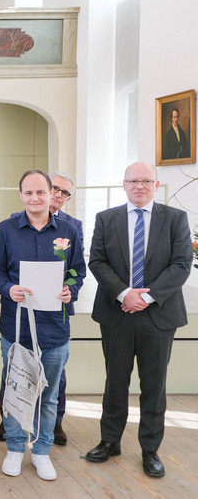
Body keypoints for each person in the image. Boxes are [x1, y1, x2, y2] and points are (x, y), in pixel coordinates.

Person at [84, 162, 191, 478]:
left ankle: (150, 449)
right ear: (124, 184)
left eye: (146, 180)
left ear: (156, 185)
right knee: (115, 381)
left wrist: (145, 296)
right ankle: (109, 442)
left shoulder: (175, 219)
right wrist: (124, 293)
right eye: (134, 180)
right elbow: (97, 261)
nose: (140, 186)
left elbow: (182, 264)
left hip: (159, 315)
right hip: (116, 314)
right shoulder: (107, 219)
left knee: (154, 384)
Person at [0, 170, 85, 481]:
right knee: (16, 388)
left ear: (51, 194)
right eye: (29, 193)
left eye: (41, 192)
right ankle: (16, 447)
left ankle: (42, 450)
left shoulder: (70, 229)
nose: (35, 198)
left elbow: (78, 271)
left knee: (50, 394)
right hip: (15, 327)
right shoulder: (5, 230)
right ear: (21, 195)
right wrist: (9, 290)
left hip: (54, 328)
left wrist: (71, 288)